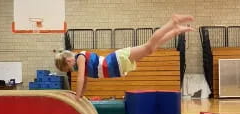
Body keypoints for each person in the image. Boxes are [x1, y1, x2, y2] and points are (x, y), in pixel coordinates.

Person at [55, 14, 194, 100]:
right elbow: (84, 83)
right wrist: (79, 96)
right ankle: (175, 31)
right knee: (151, 49)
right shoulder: (81, 65)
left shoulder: (80, 58)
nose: (71, 70)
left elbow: (79, 79)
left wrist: (77, 97)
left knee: (148, 46)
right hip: (117, 66)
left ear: (68, 60)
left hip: (116, 60)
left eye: (68, 68)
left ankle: (172, 23)